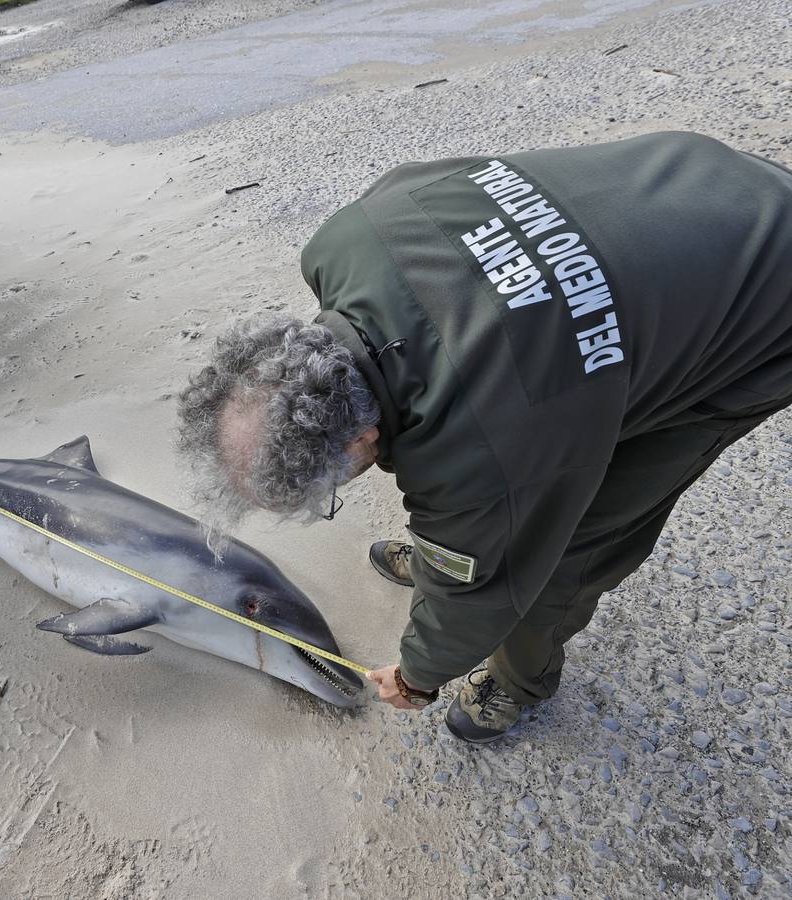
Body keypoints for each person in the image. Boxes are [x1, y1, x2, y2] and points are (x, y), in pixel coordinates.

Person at [176, 132, 792, 743]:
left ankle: (521, 683)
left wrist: (419, 676)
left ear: (362, 437)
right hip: (695, 175)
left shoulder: (483, 448)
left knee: (572, 541)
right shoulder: (343, 240)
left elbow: (477, 595)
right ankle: (455, 552)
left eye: (332, 485)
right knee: (545, 458)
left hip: (768, 297)